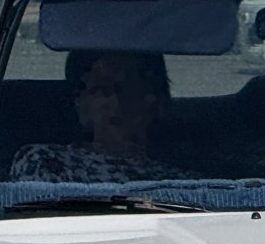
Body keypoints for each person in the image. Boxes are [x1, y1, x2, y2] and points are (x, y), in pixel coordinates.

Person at [10, 51, 192, 183]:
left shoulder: (187, 184)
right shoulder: (46, 161)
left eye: (126, 87)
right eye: (101, 90)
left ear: (155, 100)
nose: (114, 102)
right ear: (79, 102)